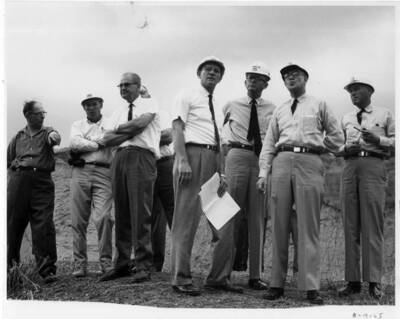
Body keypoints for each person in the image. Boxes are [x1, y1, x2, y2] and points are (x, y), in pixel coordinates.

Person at [257, 63, 344, 304]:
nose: (290, 78)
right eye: (286, 76)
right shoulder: (280, 109)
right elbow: (269, 143)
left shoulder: (319, 104)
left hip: (309, 162)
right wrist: (264, 173)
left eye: (295, 75)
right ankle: (276, 284)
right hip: (282, 162)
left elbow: (336, 137)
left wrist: (318, 150)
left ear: (306, 78)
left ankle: (310, 286)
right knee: (279, 224)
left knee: (309, 225)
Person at [170, 56, 238, 296]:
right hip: (192, 155)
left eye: (217, 71)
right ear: (199, 73)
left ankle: (218, 278)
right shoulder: (186, 95)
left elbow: (217, 138)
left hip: (213, 161)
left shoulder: (217, 104)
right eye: (207, 69)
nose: (212, 73)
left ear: (221, 77)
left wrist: (221, 169)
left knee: (225, 220)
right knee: (185, 221)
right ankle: (181, 278)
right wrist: (182, 159)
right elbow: (177, 127)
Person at [98, 72, 161, 283]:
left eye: (127, 85)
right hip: (120, 158)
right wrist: (127, 130)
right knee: (122, 210)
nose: (123, 88)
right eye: (120, 85)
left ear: (138, 86)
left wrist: (122, 131)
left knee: (140, 211)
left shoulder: (150, 103)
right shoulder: (117, 112)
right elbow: (106, 138)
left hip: (142, 157)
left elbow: (140, 125)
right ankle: (122, 263)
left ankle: (143, 264)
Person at [338, 77, 394, 300]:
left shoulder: (385, 114)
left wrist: (379, 139)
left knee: (372, 223)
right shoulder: (345, 118)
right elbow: (336, 147)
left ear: (369, 91)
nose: (352, 93)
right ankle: (352, 281)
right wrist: (345, 147)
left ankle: (374, 281)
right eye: (350, 90)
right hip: (350, 167)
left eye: (357, 89)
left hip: (373, 165)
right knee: (350, 224)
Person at [221, 62, 275, 290]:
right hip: (237, 155)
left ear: (266, 83)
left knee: (257, 217)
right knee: (229, 213)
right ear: (244, 82)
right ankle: (222, 273)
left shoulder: (273, 108)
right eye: (250, 78)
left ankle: (255, 276)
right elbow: (223, 133)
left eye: (258, 78)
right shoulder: (231, 105)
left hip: (260, 159)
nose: (253, 81)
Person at [7, 100, 61, 283]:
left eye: (44, 113)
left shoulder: (47, 132)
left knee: (43, 223)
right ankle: (11, 270)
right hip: (18, 182)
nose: (43, 116)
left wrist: (54, 137)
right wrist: (12, 165)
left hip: (42, 182)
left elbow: (55, 137)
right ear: (28, 115)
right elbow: (8, 159)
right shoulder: (18, 136)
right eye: (39, 113)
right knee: (13, 224)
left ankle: (47, 271)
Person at [68, 94, 114, 277]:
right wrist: (97, 144)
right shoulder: (77, 125)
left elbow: (110, 138)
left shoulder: (111, 122)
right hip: (81, 172)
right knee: (78, 220)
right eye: (87, 105)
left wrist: (87, 144)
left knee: (104, 217)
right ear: (84, 107)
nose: (91, 107)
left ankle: (106, 262)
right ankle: (80, 264)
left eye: (94, 104)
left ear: (101, 104)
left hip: (104, 171)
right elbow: (74, 142)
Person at [140, 85, 175, 272]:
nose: (143, 98)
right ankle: (155, 264)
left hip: (165, 164)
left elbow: (169, 135)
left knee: (173, 212)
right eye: (139, 96)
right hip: (146, 166)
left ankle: (179, 261)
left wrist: (144, 137)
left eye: (145, 94)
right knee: (152, 216)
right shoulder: (135, 118)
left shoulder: (162, 113)